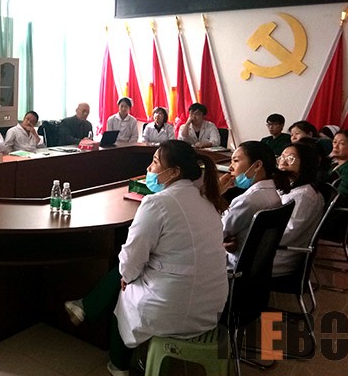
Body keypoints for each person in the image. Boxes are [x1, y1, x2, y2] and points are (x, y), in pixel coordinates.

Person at [64, 140, 228, 375]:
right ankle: (85, 308)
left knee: (123, 290)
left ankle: (118, 365)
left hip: (173, 308)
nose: (149, 168)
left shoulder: (158, 203)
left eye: (155, 162)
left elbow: (132, 255)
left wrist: (127, 277)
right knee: (128, 274)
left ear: (174, 172)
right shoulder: (206, 199)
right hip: (211, 307)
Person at [220, 141, 288, 268]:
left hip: (231, 267)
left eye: (235, 161)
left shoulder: (248, 201)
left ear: (257, 166)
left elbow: (215, 232)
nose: (230, 167)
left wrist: (215, 194)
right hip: (254, 267)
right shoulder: (272, 193)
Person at [272, 143, 324, 277]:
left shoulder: (303, 196)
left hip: (278, 257)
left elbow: (288, 233)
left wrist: (250, 237)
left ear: (305, 163)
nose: (283, 161)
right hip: (273, 249)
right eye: (282, 157)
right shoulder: (291, 186)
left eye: (290, 158)